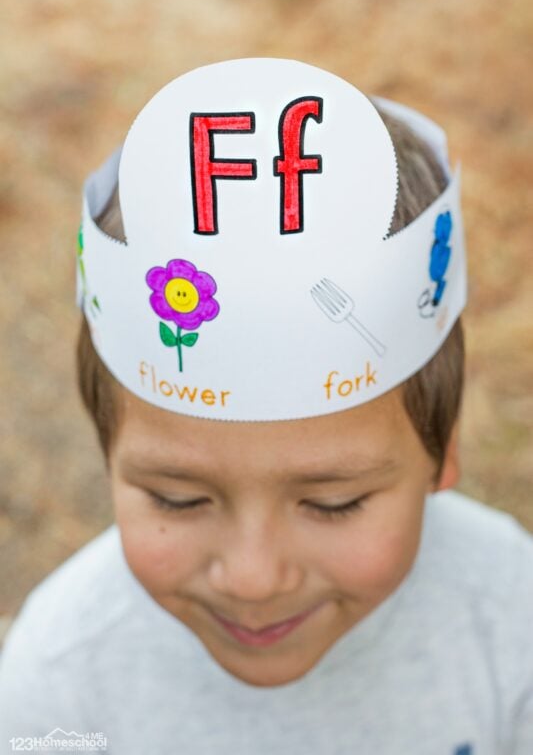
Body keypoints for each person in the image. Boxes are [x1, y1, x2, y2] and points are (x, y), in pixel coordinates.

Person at [0, 58, 531, 754]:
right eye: (177, 499)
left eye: (334, 503)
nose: (252, 578)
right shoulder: (61, 676)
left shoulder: (510, 619)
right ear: (108, 454)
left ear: (443, 451)